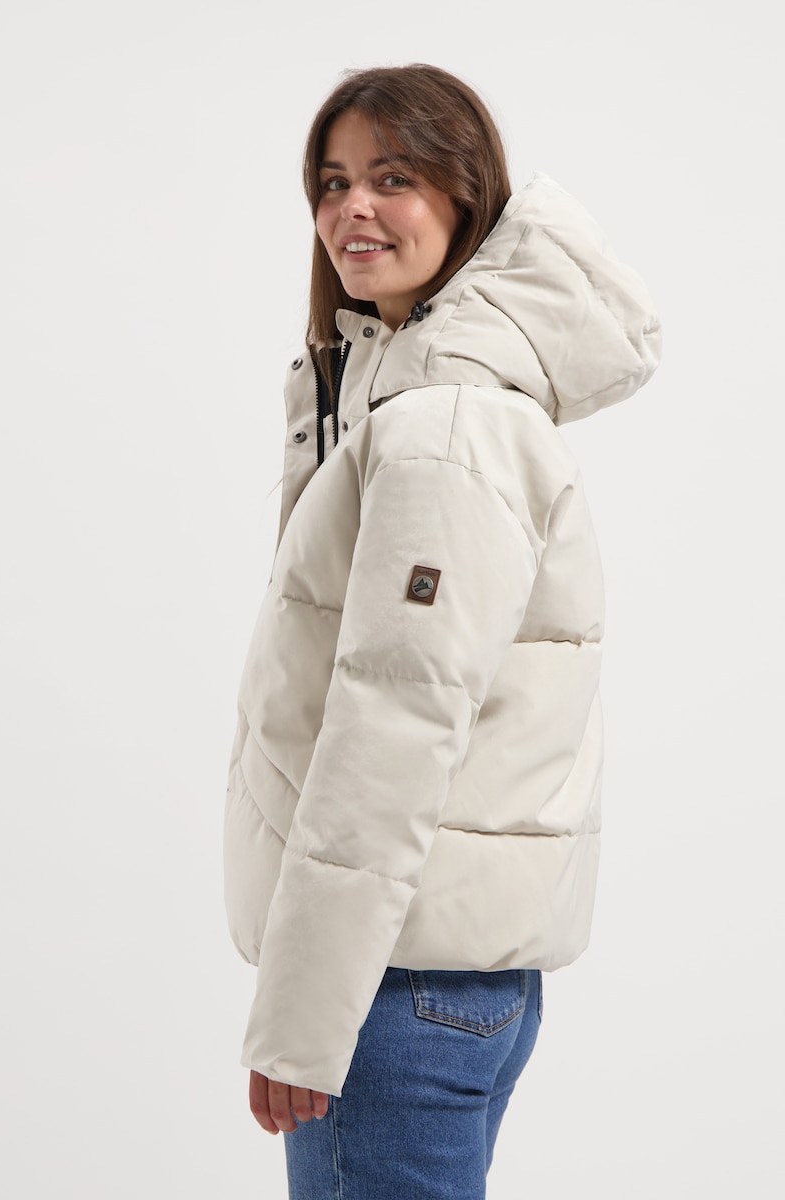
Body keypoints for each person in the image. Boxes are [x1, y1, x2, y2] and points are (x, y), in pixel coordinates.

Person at [223, 63, 660, 1199]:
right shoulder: (411, 400)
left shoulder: (445, 426)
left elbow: (393, 728)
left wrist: (305, 1015)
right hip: (443, 983)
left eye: (392, 178)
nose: (352, 209)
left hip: (390, 988)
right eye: (332, 182)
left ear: (467, 199)